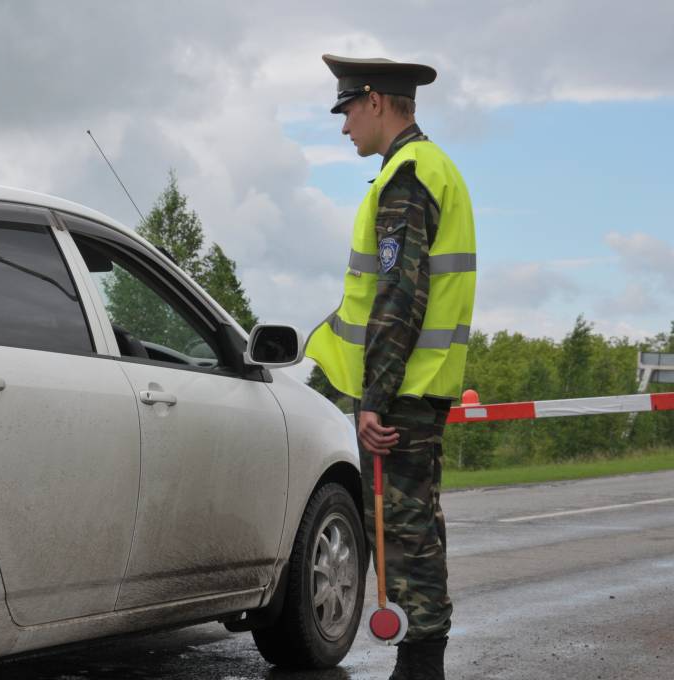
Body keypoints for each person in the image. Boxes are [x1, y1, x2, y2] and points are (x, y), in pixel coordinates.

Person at [305, 55, 477, 680]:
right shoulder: (430, 168)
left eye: (348, 109)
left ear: (376, 101)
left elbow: (400, 295)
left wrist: (373, 396)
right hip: (417, 387)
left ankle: (419, 668)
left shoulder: (406, 175)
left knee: (404, 538)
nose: (345, 125)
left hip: (400, 394)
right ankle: (421, 665)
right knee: (415, 531)